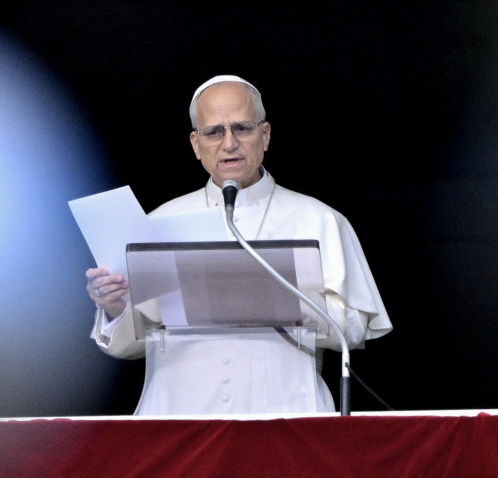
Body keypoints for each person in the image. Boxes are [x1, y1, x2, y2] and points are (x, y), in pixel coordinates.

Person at [85, 75, 392, 415]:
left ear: (265, 135)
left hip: (287, 418)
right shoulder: (154, 225)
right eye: (214, 132)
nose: (229, 143)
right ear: (195, 144)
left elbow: (353, 331)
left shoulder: (320, 220)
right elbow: (128, 345)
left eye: (242, 128)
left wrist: (283, 302)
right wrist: (114, 307)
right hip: (178, 420)